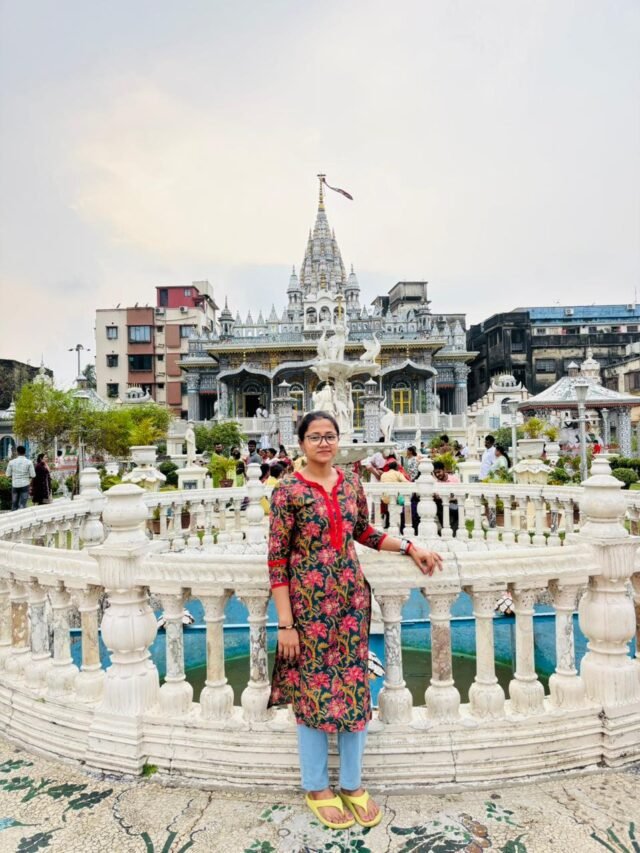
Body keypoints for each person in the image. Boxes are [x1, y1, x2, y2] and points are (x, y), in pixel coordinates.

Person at [268, 411, 442, 830]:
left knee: (353, 687)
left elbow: (362, 531)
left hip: (350, 604)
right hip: (307, 608)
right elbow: (276, 561)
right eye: (315, 437)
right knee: (311, 691)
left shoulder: (349, 483)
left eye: (330, 436)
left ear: (338, 440)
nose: (323, 443)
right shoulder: (288, 490)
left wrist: (408, 546)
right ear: (302, 443)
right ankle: (316, 786)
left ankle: (351, 783)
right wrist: (286, 624)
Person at [379, 459, 410, 532]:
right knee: (395, 511)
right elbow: (406, 482)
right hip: (394, 497)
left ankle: (389, 525)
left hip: (384, 497)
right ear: (396, 467)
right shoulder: (398, 473)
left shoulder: (383, 474)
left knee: (390, 510)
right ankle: (394, 526)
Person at [432, 460, 460, 534]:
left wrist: (448, 496)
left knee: (459, 511)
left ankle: (451, 532)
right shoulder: (435, 482)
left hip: (454, 503)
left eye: (439, 472)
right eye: (435, 473)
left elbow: (458, 494)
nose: (437, 475)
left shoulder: (454, 479)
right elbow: (436, 495)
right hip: (441, 505)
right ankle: (447, 531)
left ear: (444, 470)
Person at [7, 446, 35, 510]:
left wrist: (14, 477)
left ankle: (13, 518)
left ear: (17, 452)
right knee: (22, 505)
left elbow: (8, 474)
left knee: (14, 504)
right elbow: (33, 475)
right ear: (25, 452)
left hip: (15, 484)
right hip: (25, 484)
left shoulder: (11, 462)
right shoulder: (29, 462)